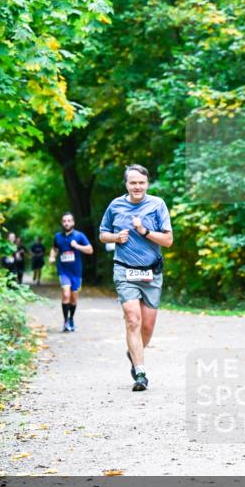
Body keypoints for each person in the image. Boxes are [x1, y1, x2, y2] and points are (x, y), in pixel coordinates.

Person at [98, 165, 173, 392]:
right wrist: (116, 237)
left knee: (147, 327)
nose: (137, 186)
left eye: (141, 182)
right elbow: (103, 235)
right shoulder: (116, 205)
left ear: (147, 183)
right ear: (126, 184)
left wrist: (144, 232)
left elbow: (168, 241)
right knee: (133, 319)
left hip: (151, 272)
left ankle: (134, 351)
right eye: (133, 183)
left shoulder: (157, 205)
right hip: (124, 270)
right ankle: (140, 373)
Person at [49, 213, 93, 332]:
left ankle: (71, 318)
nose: (66, 223)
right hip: (63, 271)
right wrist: (52, 257)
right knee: (66, 294)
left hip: (76, 272)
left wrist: (77, 246)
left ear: (73, 222)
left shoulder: (79, 236)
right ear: (62, 223)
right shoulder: (58, 237)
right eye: (64, 221)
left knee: (74, 299)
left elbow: (90, 250)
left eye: (69, 221)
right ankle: (65, 321)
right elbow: (54, 248)